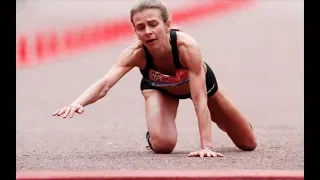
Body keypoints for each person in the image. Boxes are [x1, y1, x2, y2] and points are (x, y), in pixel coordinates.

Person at [52, 0, 257, 157]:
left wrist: (206, 147)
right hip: (160, 89)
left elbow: (199, 100)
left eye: (153, 24)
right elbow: (105, 83)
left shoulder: (186, 47)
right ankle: (154, 132)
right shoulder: (135, 53)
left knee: (248, 143)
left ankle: (230, 121)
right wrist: (78, 102)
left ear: (167, 25)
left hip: (201, 88)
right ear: (135, 30)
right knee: (163, 145)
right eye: (141, 27)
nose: (148, 32)